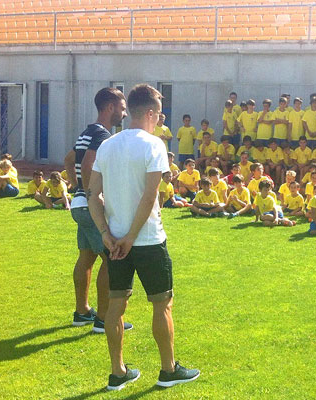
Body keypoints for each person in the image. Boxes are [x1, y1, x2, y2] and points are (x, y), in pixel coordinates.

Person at [88, 84, 199, 390]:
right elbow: (150, 196)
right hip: (148, 239)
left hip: (116, 240)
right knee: (162, 303)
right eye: (159, 114)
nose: (160, 119)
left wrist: (107, 235)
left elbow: (91, 194)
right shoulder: (153, 145)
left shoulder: (108, 145)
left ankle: (118, 372)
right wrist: (131, 236)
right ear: (150, 113)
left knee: (115, 306)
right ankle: (168, 370)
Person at [63, 87, 132, 334]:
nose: (124, 114)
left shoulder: (87, 132)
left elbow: (69, 159)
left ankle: (82, 312)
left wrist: (77, 187)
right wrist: (94, 194)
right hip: (90, 206)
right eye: (122, 109)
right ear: (110, 107)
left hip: (79, 204)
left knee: (87, 256)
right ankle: (104, 319)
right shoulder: (102, 136)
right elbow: (88, 162)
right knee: (111, 260)